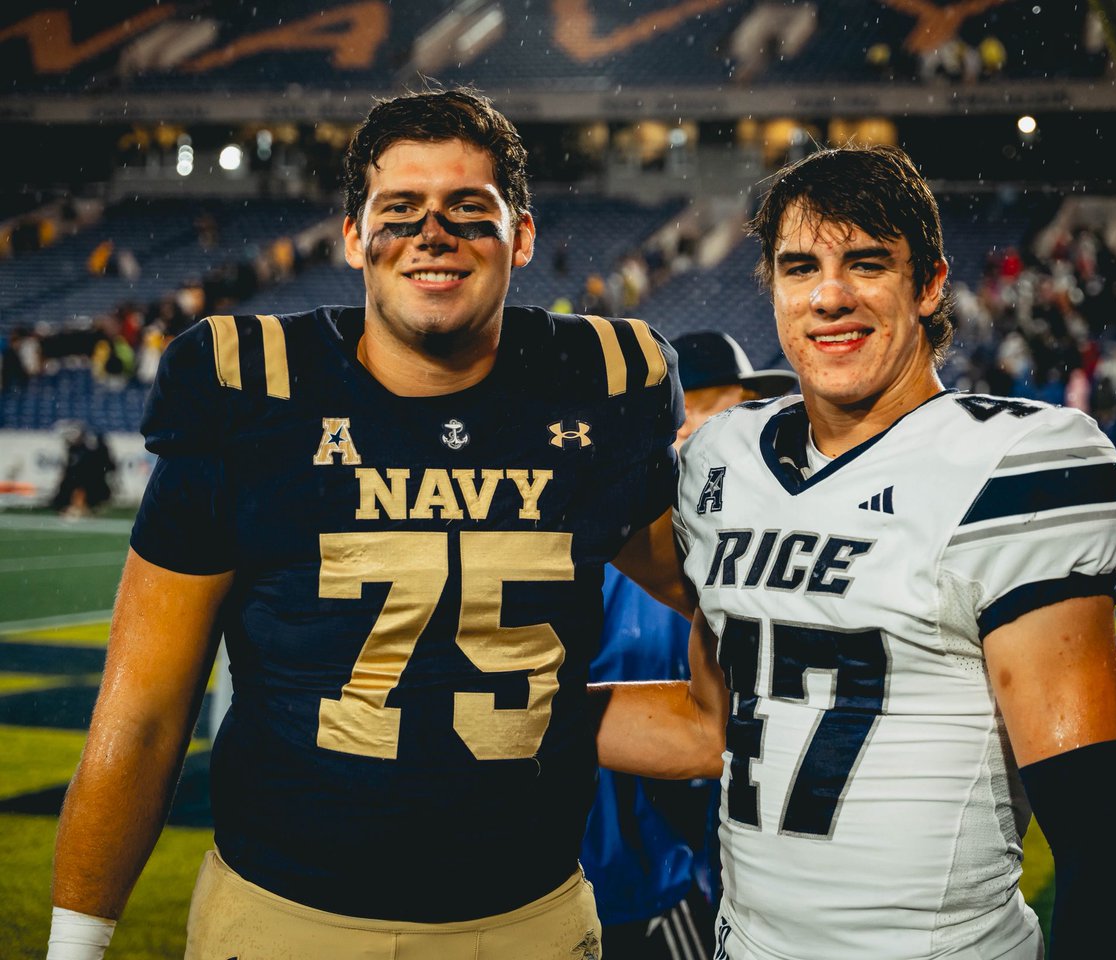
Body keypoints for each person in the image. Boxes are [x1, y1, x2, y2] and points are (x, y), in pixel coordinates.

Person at [49, 87, 687, 960]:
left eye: (470, 209)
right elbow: (147, 715)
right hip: (284, 919)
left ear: (522, 236)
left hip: (527, 921)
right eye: (401, 211)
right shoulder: (254, 393)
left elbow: (730, 599)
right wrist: (75, 947)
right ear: (353, 237)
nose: (434, 234)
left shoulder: (597, 390)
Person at [595, 145, 1116, 959]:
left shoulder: (1011, 464)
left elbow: (1100, 834)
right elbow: (715, 722)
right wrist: (504, 707)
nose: (829, 296)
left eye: (866, 264)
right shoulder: (724, 457)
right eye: (799, 268)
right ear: (773, 288)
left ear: (930, 285)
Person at [581, 332, 796, 960]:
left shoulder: (754, 549)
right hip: (631, 878)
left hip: (696, 863)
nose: (705, 431)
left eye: (729, 412)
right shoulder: (609, 549)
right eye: (692, 412)